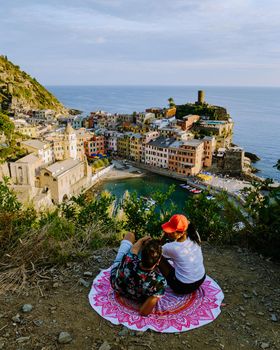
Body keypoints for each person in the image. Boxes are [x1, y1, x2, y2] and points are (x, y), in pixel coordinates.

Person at [110, 232, 167, 316]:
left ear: (141, 256)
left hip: (119, 288)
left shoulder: (129, 259)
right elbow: (144, 312)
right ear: (158, 261)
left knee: (129, 236)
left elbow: (134, 250)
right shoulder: (160, 282)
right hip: (139, 298)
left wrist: (141, 240)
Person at [159, 214, 206, 294]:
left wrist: (163, 237)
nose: (168, 233)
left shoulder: (172, 247)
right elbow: (188, 223)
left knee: (158, 256)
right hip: (201, 279)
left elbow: (156, 249)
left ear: (182, 232)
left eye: (171, 231)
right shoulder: (195, 235)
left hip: (183, 287)